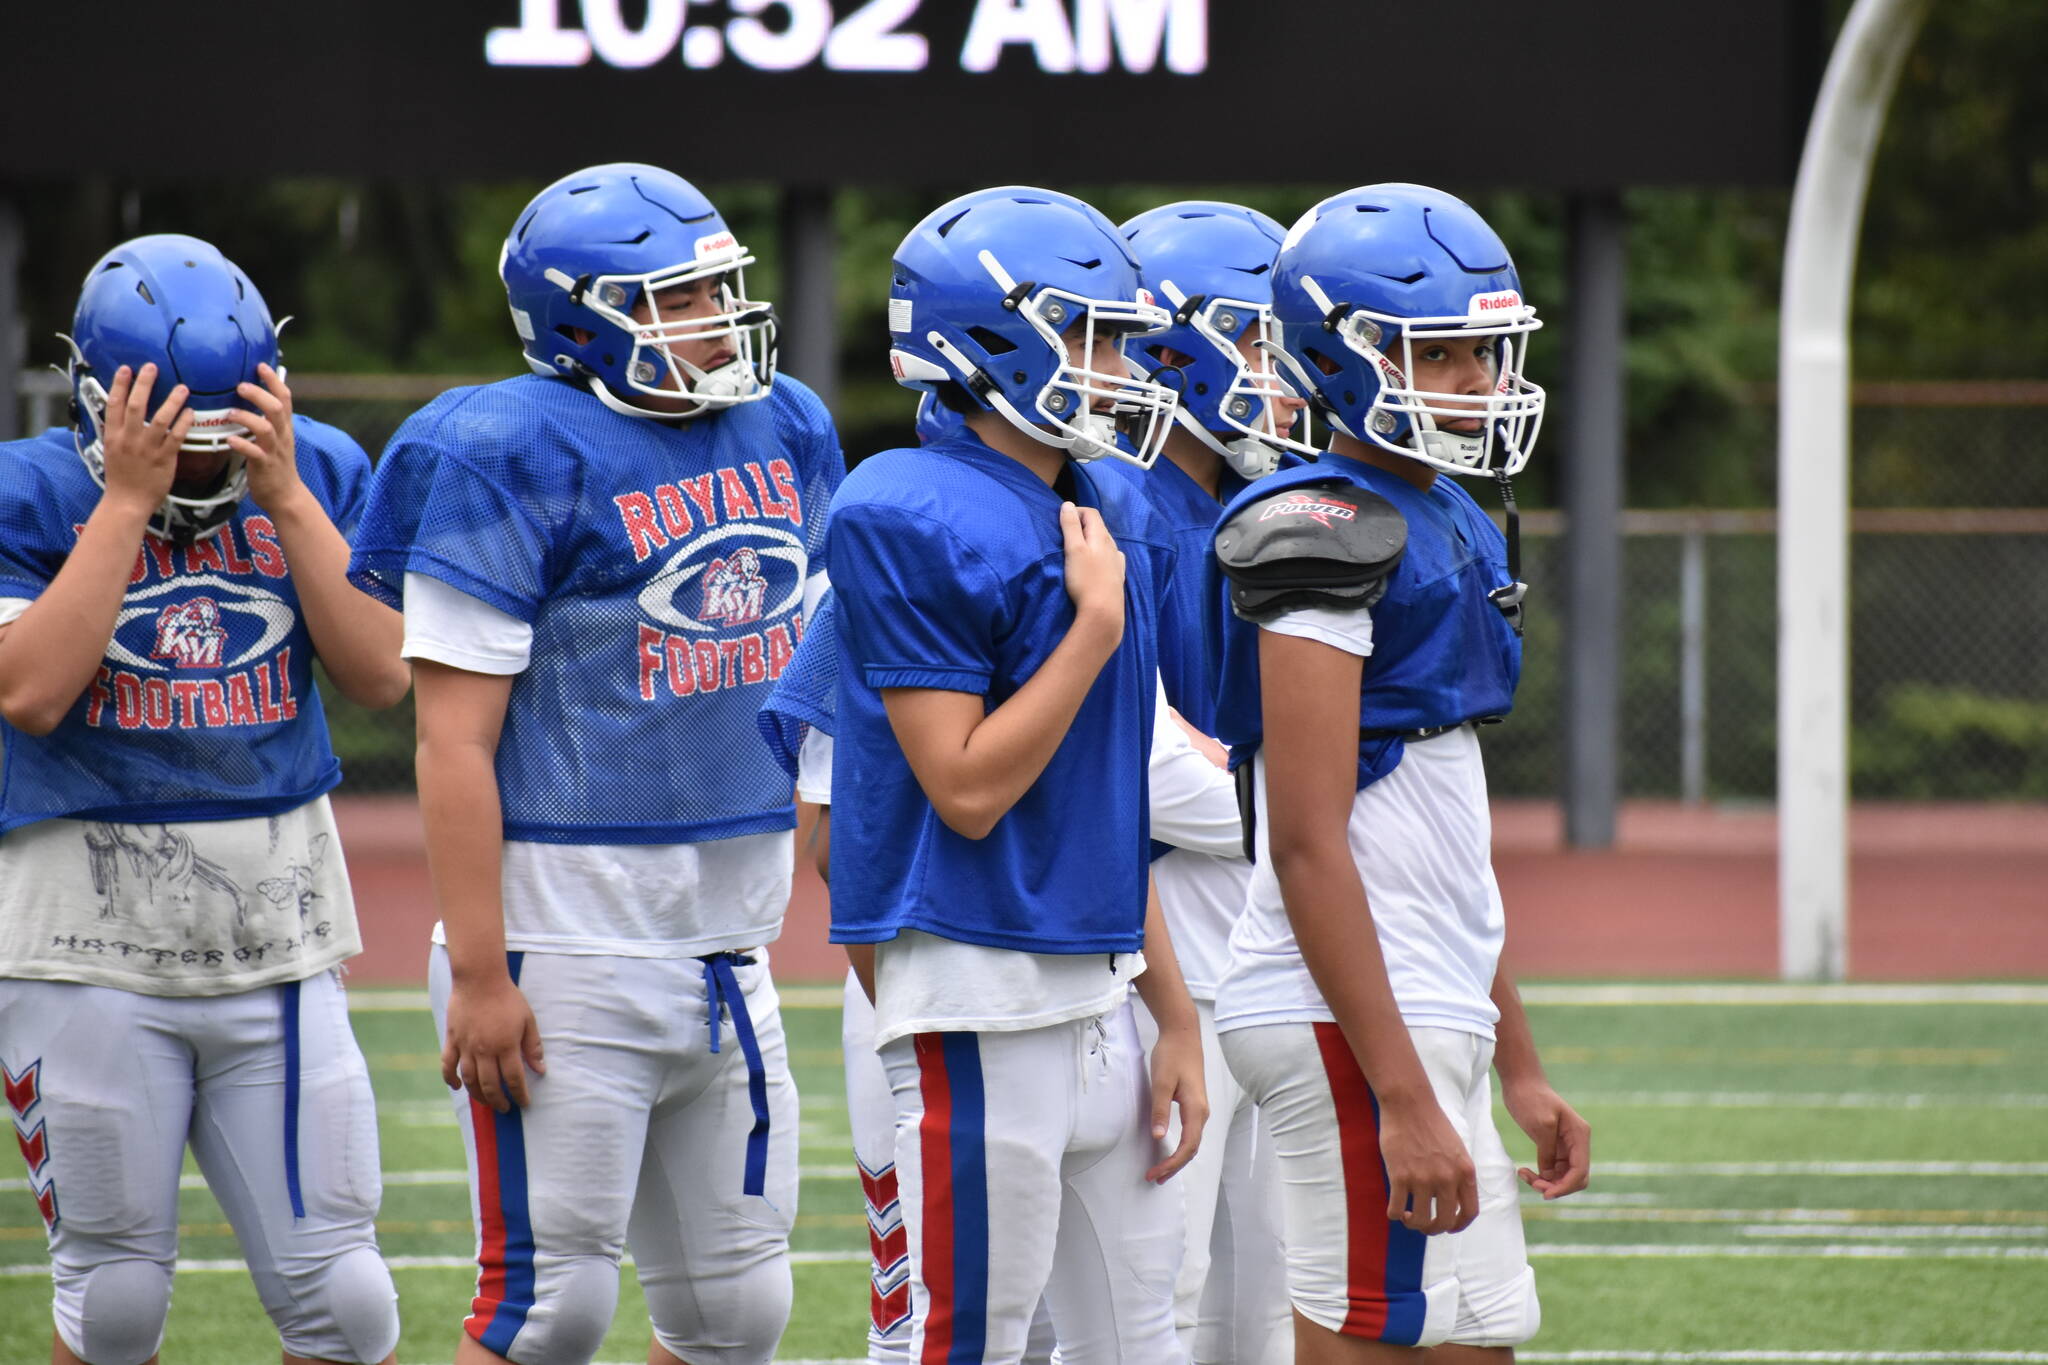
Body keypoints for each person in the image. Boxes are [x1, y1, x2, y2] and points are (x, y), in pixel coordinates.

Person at [346, 163, 842, 1365]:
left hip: (729, 937)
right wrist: (477, 970)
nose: (715, 322)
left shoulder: (786, 425)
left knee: (736, 1314)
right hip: (561, 939)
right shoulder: (502, 448)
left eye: (720, 291)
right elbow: (452, 739)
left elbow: (814, 670)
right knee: (547, 1312)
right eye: (675, 300)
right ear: (579, 322)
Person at [0, 234, 408, 1365]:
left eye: (229, 436)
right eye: (183, 440)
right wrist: (125, 505)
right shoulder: (25, 492)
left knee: (349, 1302)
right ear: (102, 405)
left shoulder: (312, 468)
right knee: (115, 1297)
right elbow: (30, 692)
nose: (205, 466)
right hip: (82, 946)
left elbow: (383, 675)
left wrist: (284, 498)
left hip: (279, 940)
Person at [1205, 184, 1591, 1362]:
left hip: (1420, 996)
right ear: (1343, 354)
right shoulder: (1318, 527)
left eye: (1487, 351)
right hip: (1348, 1013)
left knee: (1476, 1341)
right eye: (1447, 353)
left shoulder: (1445, 514)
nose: (1479, 379)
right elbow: (1310, 839)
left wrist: (1510, 1061)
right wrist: (1404, 1094)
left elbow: (1440, 845)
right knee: (1370, 1339)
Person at [827, 185, 1207, 1365]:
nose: (1118, 366)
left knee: (1147, 1343)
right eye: (1089, 334)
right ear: (988, 340)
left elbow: (1104, 799)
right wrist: (1091, 633)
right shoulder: (904, 508)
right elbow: (966, 787)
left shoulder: (1093, 500)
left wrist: (1174, 1014)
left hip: (1102, 991)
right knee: (963, 1345)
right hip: (981, 993)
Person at [759, 576, 1245, 1365]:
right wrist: (911, 1024)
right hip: (943, 995)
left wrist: (1175, 1015)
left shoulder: (1095, 569)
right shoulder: (890, 563)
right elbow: (835, 848)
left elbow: (1113, 822)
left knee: (1133, 1328)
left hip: (1094, 997)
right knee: (947, 1331)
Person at [1113, 199, 1310, 1365]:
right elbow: (1134, 768)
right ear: (1168, 345)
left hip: (1254, 916)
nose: (1279, 373)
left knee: (1270, 1295)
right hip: (1160, 922)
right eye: (1254, 338)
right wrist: (1307, 814)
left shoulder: (1259, 502)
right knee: (1159, 1291)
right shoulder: (1121, 505)